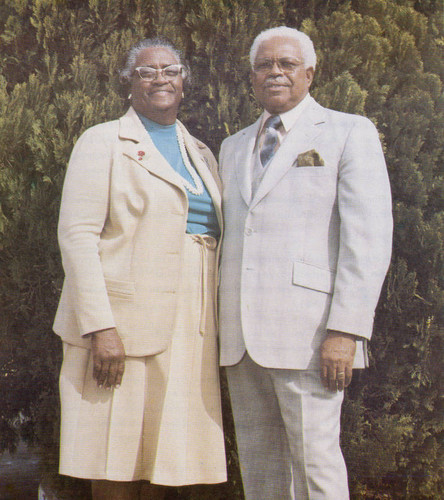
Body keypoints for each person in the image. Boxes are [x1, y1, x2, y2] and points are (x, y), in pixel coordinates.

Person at [218, 26, 393, 499]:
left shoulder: (347, 132)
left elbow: (369, 239)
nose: (274, 72)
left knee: (316, 465)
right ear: (252, 76)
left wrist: (347, 330)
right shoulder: (233, 147)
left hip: (311, 335)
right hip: (240, 340)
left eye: (286, 64)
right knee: (260, 468)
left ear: (310, 73)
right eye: (263, 65)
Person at [53, 37, 226, 500]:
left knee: (165, 459)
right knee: (113, 455)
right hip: (122, 323)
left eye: (170, 70)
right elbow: (77, 236)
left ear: (184, 82)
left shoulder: (202, 152)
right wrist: (100, 326)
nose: (160, 79)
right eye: (147, 71)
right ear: (129, 82)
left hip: (190, 327)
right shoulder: (102, 140)